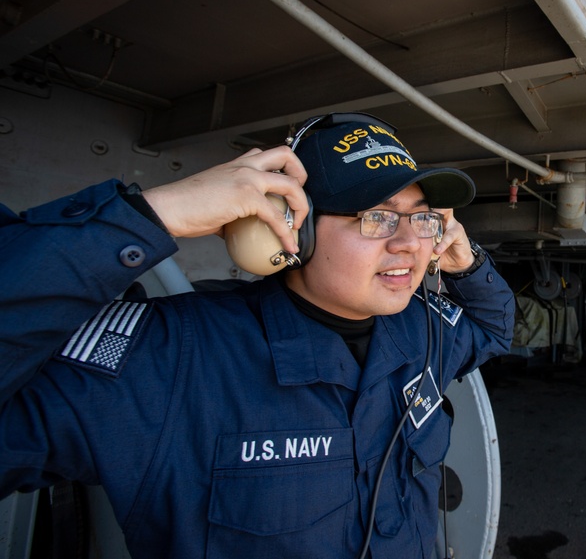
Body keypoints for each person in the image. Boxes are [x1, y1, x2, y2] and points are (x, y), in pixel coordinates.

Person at [0, 112, 515, 558]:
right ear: (292, 230)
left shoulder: (421, 328)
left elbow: (494, 329)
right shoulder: (171, 358)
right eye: (376, 218)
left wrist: (465, 262)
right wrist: (149, 216)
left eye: (421, 219)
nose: (410, 245)